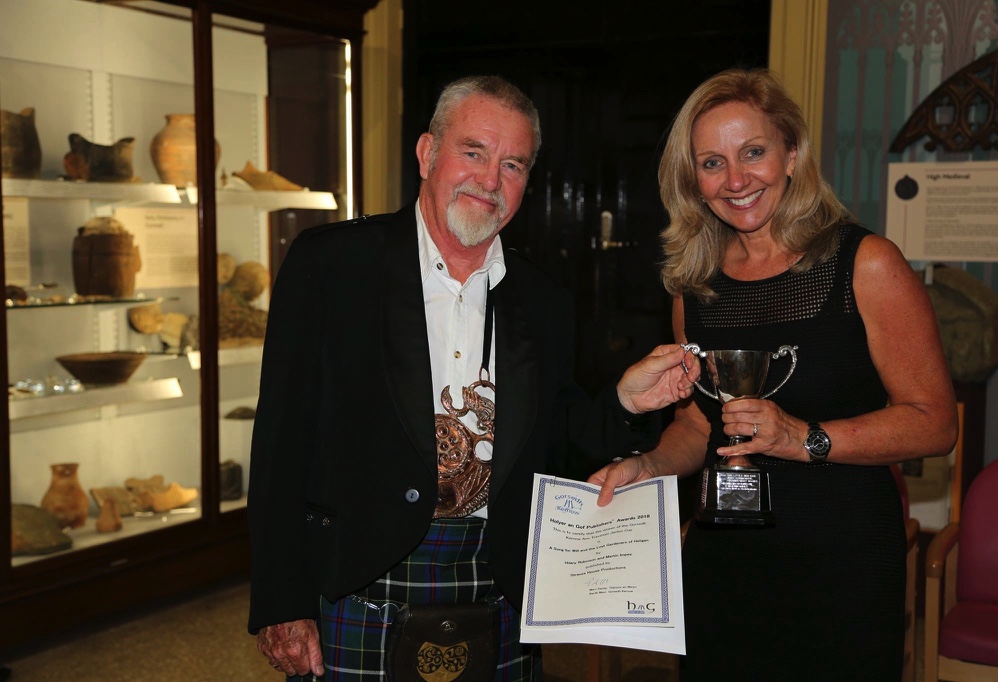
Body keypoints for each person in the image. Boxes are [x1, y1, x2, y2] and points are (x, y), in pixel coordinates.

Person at [247, 75, 698, 681]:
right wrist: (283, 601)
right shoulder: (331, 265)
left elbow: (554, 440)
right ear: (428, 154)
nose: (490, 180)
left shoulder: (543, 298)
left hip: (495, 581)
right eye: (473, 152)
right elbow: (280, 441)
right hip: (356, 577)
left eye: (512, 165)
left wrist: (623, 399)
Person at [588, 68, 958, 681]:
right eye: (712, 162)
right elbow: (700, 424)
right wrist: (647, 465)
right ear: (692, 180)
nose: (736, 180)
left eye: (753, 152)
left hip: (842, 564)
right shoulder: (694, 286)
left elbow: (934, 424)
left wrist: (801, 438)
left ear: (792, 154)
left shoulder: (865, 264)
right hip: (724, 565)